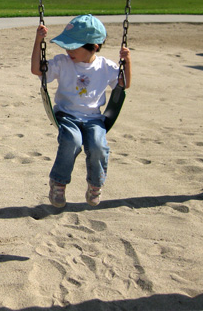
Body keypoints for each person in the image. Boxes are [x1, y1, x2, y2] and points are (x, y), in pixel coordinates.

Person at [31, 14, 131, 208]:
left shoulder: (106, 66)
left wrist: (127, 62)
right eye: (67, 46)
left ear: (94, 46)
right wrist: (38, 40)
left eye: (74, 46)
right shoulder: (62, 62)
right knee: (72, 141)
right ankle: (58, 182)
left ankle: (95, 184)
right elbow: (37, 70)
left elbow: (124, 84)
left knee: (98, 146)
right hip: (66, 115)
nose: (69, 51)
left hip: (94, 118)